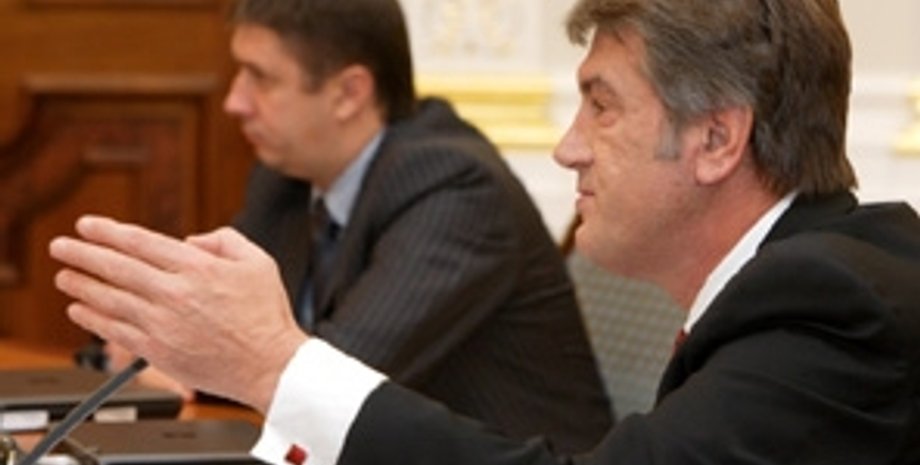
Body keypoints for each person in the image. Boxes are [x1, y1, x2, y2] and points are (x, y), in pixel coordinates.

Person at [49, 0, 920, 464]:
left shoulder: (830, 306)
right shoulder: (790, 284)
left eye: (602, 105)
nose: (566, 148)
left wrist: (272, 360)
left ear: (717, 139)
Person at [102, 0, 613, 454]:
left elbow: (332, 376)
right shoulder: (285, 176)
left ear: (349, 93)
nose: (234, 101)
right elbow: (224, 332)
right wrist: (160, 346)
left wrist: (186, 358)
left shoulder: (456, 188)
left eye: (261, 78)